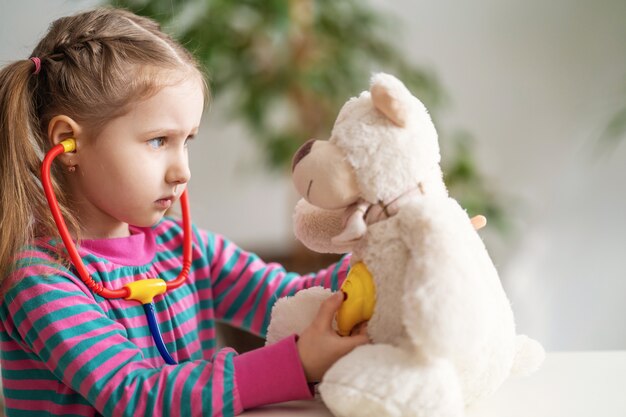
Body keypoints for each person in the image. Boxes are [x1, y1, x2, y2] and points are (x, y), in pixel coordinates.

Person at [0, 8, 368, 417]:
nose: (183, 171)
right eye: (159, 141)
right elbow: (136, 395)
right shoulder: (40, 278)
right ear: (69, 142)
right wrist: (297, 363)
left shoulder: (183, 248)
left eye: (186, 140)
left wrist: (378, 256)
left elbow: (288, 297)